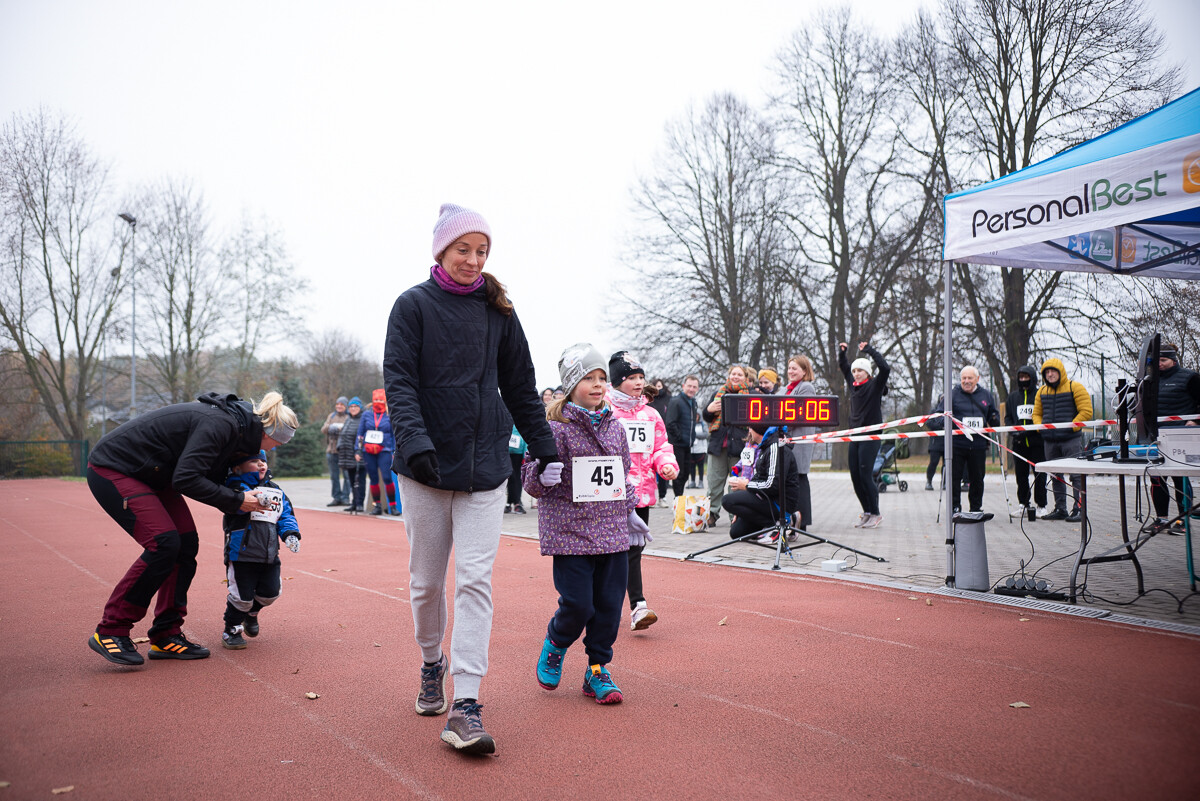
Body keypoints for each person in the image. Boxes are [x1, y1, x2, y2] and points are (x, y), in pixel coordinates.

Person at [383, 202, 557, 755]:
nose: (474, 259)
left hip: (484, 467)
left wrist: (544, 444)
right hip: (426, 468)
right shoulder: (411, 307)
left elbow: (523, 387)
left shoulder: (498, 311)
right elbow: (400, 381)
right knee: (427, 582)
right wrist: (415, 442)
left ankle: (467, 703)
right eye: (464, 249)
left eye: (482, 251)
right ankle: (431, 664)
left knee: (475, 582)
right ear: (441, 250)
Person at [85, 391, 298, 666]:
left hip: (156, 475)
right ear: (266, 432)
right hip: (115, 467)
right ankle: (111, 629)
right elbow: (187, 478)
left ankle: (166, 634)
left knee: (185, 544)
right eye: (275, 442)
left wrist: (243, 497)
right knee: (164, 543)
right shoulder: (221, 425)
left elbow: (206, 475)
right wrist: (235, 500)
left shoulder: (241, 432)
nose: (272, 450)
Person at [523, 344, 649, 705]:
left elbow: (621, 475)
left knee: (609, 607)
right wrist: (540, 477)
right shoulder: (554, 427)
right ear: (571, 383)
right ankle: (556, 643)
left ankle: (597, 670)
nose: (597, 385)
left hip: (611, 533)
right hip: (570, 533)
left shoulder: (615, 428)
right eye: (588, 378)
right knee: (578, 605)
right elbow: (529, 475)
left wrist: (630, 511)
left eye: (601, 379)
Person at [606, 351, 679, 631]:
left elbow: (660, 447)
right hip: (611, 494)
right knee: (612, 552)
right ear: (617, 382)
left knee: (634, 549)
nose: (638, 383)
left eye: (640, 377)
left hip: (642, 492)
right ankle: (607, 605)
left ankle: (638, 606)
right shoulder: (606, 411)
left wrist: (667, 466)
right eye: (631, 378)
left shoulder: (651, 414)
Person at [219, 450, 300, 650]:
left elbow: (286, 514)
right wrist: (250, 499)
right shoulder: (233, 487)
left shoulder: (276, 490)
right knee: (241, 597)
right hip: (242, 554)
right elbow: (233, 505)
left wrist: (291, 533)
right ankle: (232, 629)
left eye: (263, 460)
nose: (262, 464)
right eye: (254, 461)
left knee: (271, 593)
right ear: (238, 467)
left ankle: (251, 614)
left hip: (269, 553)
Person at [930, 366, 1000, 513]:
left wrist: (995, 419)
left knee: (977, 478)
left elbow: (993, 414)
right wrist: (947, 422)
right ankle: (955, 507)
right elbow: (938, 416)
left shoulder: (986, 395)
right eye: (964, 378)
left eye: (970, 378)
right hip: (957, 444)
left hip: (978, 444)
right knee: (954, 478)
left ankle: (976, 507)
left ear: (977, 379)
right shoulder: (952, 394)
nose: (966, 381)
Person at [1032, 357, 1093, 523]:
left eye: (1053, 371)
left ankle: (1080, 509)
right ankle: (1060, 509)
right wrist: (1040, 427)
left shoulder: (1075, 387)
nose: (1050, 375)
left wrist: (1071, 427)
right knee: (1055, 475)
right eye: (1047, 372)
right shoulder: (1041, 392)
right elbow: (1036, 414)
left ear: (1060, 372)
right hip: (1049, 441)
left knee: (1076, 475)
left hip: (1070, 440)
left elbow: (1086, 411)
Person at [838, 341, 890, 529]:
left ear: (867, 372)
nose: (856, 374)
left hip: (871, 436)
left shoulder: (875, 386)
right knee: (855, 476)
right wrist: (842, 353)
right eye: (854, 371)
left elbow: (885, 368)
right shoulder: (853, 387)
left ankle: (876, 513)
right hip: (855, 435)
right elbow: (844, 367)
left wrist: (868, 350)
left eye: (860, 370)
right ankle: (866, 511)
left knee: (866, 474)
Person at [723, 421, 802, 542]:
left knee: (728, 500)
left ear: (756, 431)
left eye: (750, 428)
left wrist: (747, 486)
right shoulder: (765, 446)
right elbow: (760, 477)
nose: (748, 431)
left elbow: (772, 484)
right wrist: (742, 507)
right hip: (765, 498)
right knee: (736, 533)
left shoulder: (775, 447)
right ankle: (772, 524)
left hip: (779, 503)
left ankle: (784, 522)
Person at [1151, 342, 1200, 533]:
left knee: (1180, 479)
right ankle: (1161, 519)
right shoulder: (1150, 381)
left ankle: (1184, 520)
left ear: (1173, 360)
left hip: (1182, 436)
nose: (1160, 364)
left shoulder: (1190, 378)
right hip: (1157, 437)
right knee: (1156, 477)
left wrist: (1196, 422)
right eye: (1157, 361)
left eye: (1163, 360)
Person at [701, 365, 751, 527]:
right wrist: (709, 410)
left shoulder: (750, 395)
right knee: (714, 483)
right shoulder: (718, 394)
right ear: (729, 376)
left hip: (739, 447)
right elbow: (707, 416)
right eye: (733, 374)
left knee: (736, 484)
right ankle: (712, 514)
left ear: (745, 378)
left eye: (739, 374)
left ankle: (735, 516)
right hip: (718, 445)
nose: (736, 377)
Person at [1005, 366, 1047, 513]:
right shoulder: (1012, 397)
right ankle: (1023, 503)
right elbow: (1008, 417)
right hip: (1019, 444)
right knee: (1021, 476)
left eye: (1026, 377)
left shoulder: (1039, 394)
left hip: (1037, 443)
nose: (1023, 380)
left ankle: (1042, 505)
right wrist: (1013, 431)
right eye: (1021, 377)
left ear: (1032, 378)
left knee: (1040, 475)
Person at [783, 356, 817, 530]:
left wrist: (779, 425)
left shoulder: (806, 388)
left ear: (804, 371)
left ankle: (802, 521)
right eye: (789, 368)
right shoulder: (785, 390)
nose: (791, 372)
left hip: (800, 441)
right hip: (786, 441)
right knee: (789, 481)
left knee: (799, 479)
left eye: (795, 368)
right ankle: (789, 518)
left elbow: (798, 415)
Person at [357, 388, 399, 516]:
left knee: (387, 477)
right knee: (373, 478)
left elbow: (393, 434)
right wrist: (357, 450)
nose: (378, 402)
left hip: (384, 450)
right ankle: (377, 505)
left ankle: (393, 506)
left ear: (385, 401)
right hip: (368, 450)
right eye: (376, 400)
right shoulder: (366, 414)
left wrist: (394, 450)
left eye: (381, 400)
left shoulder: (389, 414)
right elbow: (360, 433)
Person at [665, 375, 700, 500]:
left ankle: (679, 497)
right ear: (683, 386)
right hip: (678, 444)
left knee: (685, 473)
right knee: (678, 474)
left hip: (688, 444)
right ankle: (678, 499)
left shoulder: (693, 402)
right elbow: (670, 422)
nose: (691, 389)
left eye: (694, 387)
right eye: (689, 386)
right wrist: (679, 437)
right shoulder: (676, 401)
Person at [321, 396, 351, 506]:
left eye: (341, 404)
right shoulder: (331, 416)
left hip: (345, 451)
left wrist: (341, 428)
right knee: (334, 476)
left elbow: (352, 429)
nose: (339, 406)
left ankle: (345, 497)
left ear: (345, 406)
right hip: (331, 451)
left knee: (347, 476)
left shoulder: (349, 417)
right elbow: (323, 429)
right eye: (337, 404)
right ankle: (336, 497)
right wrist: (330, 427)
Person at [337, 397, 366, 513]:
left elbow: (361, 437)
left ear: (360, 407)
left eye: (355, 406)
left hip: (358, 456)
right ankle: (353, 502)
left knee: (360, 480)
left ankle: (359, 503)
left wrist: (358, 451)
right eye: (351, 407)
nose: (353, 409)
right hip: (346, 456)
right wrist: (339, 446)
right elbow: (342, 435)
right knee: (351, 480)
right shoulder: (348, 419)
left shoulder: (362, 420)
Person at [647, 379, 672, 503]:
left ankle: (662, 496)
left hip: (663, 434)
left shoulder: (668, 399)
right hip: (648, 435)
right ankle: (650, 495)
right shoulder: (648, 400)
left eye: (660, 386)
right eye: (656, 386)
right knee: (649, 468)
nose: (658, 389)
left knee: (663, 467)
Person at [505, 425, 528, 514]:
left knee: (517, 478)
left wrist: (525, 455)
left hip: (518, 453)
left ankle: (516, 503)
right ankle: (511, 503)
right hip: (507, 452)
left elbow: (526, 435)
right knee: (510, 478)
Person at [690, 413, 709, 489]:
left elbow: (706, 434)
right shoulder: (690, 423)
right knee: (692, 467)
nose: (696, 417)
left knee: (700, 466)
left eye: (697, 415)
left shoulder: (703, 424)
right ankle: (692, 481)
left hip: (701, 449)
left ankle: (701, 482)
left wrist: (695, 435)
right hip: (692, 449)